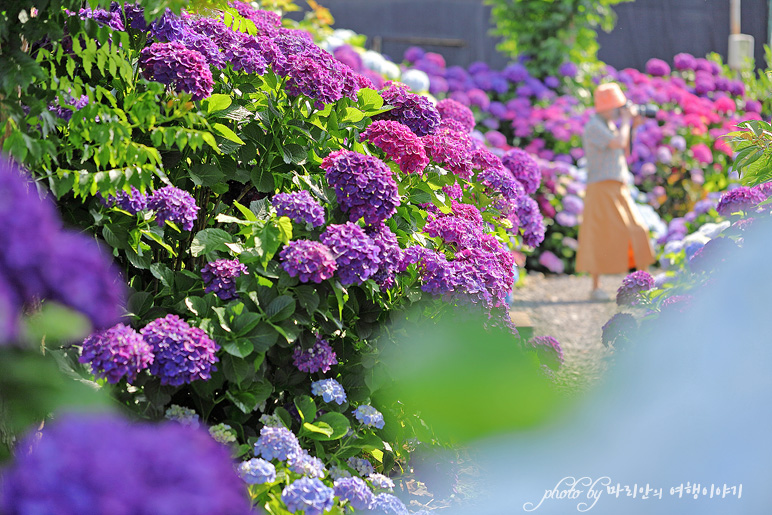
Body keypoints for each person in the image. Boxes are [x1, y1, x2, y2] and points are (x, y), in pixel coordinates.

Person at [575, 82, 655, 300]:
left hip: (618, 186)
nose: (621, 111)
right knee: (599, 236)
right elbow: (618, 143)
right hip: (600, 187)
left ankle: (643, 282)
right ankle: (595, 287)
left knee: (637, 229)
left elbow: (624, 148)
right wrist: (628, 121)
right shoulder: (594, 126)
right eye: (618, 107)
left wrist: (633, 125)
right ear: (607, 107)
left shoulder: (609, 124)